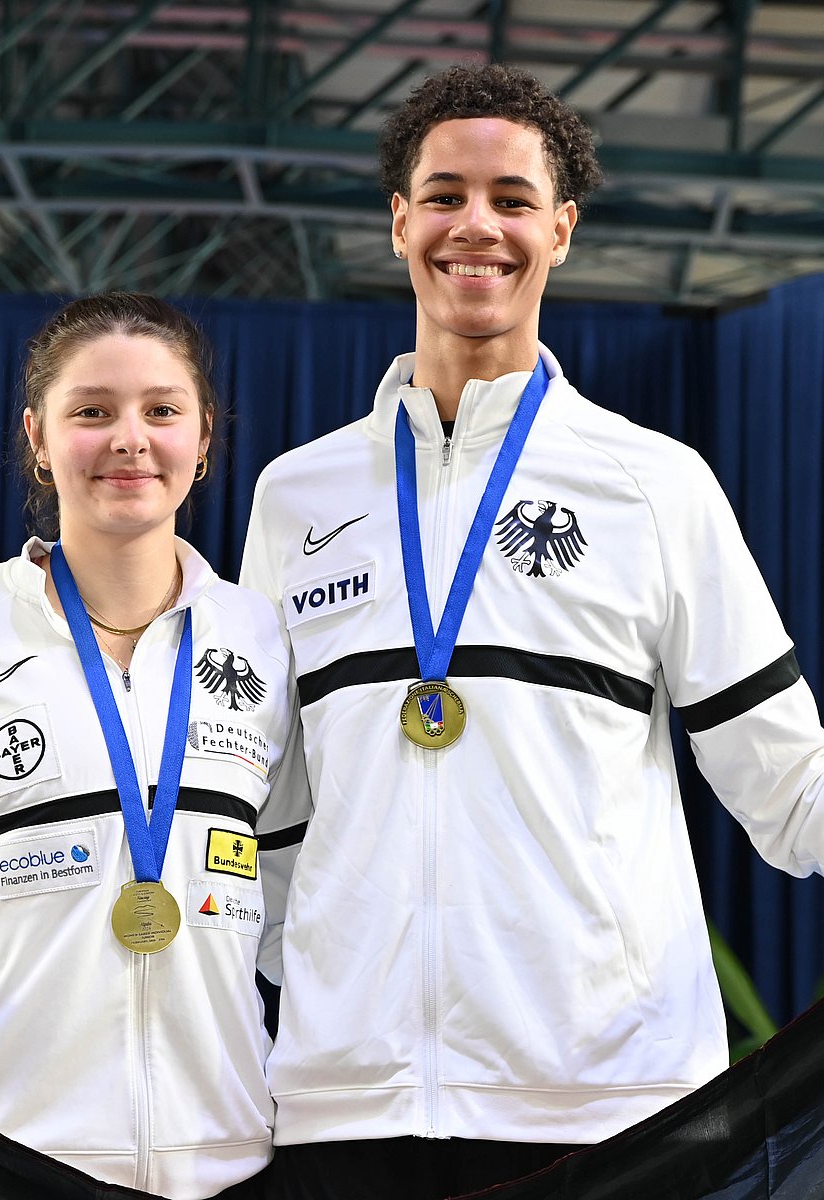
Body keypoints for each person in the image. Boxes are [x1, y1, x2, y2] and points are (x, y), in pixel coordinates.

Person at [235, 64, 824, 1199]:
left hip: (612, 1106)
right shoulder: (295, 496)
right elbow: (260, 802)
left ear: (560, 228)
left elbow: (791, 786)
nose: (477, 226)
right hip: (346, 1102)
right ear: (399, 221)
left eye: (511, 199)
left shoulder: (654, 485)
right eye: (444, 195)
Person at [0, 293, 305, 1200]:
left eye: (161, 410)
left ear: (202, 438)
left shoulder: (265, 639)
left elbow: (298, 897)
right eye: (92, 411)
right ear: (39, 438)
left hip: (223, 1153)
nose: (129, 439)